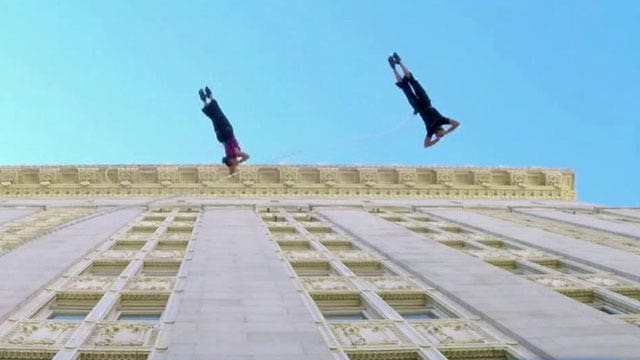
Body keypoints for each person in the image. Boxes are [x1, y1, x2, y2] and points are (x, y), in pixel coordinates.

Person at [389, 52, 459, 148]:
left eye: (440, 135)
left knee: (405, 88)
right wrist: (446, 132)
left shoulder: (430, 130)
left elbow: (426, 145)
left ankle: (393, 68)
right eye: (441, 135)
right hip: (425, 102)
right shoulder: (442, 121)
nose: (441, 135)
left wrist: (436, 140)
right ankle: (399, 62)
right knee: (413, 81)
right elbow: (456, 124)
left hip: (418, 107)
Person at [198, 86, 249, 174]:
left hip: (228, 133)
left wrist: (239, 161)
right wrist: (234, 168)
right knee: (213, 117)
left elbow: (247, 156)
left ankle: (210, 97)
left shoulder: (235, 154)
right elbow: (232, 170)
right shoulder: (228, 157)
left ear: (232, 162)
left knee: (218, 113)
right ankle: (206, 100)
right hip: (220, 137)